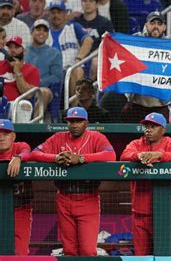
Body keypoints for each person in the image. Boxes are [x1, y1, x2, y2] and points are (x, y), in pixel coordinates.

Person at [30, 106, 116, 256]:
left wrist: (82, 158)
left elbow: (110, 155)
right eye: (71, 121)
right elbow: (34, 153)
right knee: (69, 251)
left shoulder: (96, 137)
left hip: (88, 197)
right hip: (64, 197)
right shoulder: (58, 137)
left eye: (78, 121)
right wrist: (55, 158)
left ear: (86, 123)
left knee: (88, 251)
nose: (74, 125)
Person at [120, 112, 171, 255]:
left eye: (153, 126)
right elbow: (125, 154)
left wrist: (159, 155)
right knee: (141, 256)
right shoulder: (137, 143)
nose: (148, 130)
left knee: (162, 255)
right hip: (140, 212)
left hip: (164, 212)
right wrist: (138, 156)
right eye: (146, 126)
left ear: (163, 130)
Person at [121, 11, 171, 122]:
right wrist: (109, 40)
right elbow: (118, 47)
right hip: (136, 103)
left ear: (164, 27)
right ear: (146, 25)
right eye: (152, 23)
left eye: (159, 23)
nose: (156, 27)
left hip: (160, 104)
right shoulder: (135, 40)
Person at [46, 0, 94, 97]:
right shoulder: (44, 33)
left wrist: (79, 59)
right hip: (52, 74)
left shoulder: (73, 27)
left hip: (71, 69)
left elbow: (89, 40)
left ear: (65, 14)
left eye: (59, 12)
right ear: (49, 15)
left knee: (78, 70)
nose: (56, 15)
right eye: (53, 13)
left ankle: (74, 108)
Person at [0, 119, 33, 255]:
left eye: (6, 133)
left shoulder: (19, 147)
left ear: (13, 136)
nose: (1, 137)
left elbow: (27, 151)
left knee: (20, 252)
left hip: (20, 208)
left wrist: (18, 157)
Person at [0, 36, 42, 122]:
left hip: (15, 105)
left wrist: (17, 71)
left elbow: (28, 94)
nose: (12, 50)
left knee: (24, 105)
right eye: (10, 47)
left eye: (16, 47)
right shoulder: (0, 65)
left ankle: (21, 135)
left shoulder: (32, 70)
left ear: (24, 50)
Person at [25, 19, 62, 116]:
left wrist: (37, 83)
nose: (41, 33)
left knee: (44, 93)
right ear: (31, 32)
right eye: (38, 29)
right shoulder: (24, 52)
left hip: (42, 89)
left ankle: (34, 126)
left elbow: (56, 76)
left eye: (45, 30)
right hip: (24, 88)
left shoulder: (54, 53)